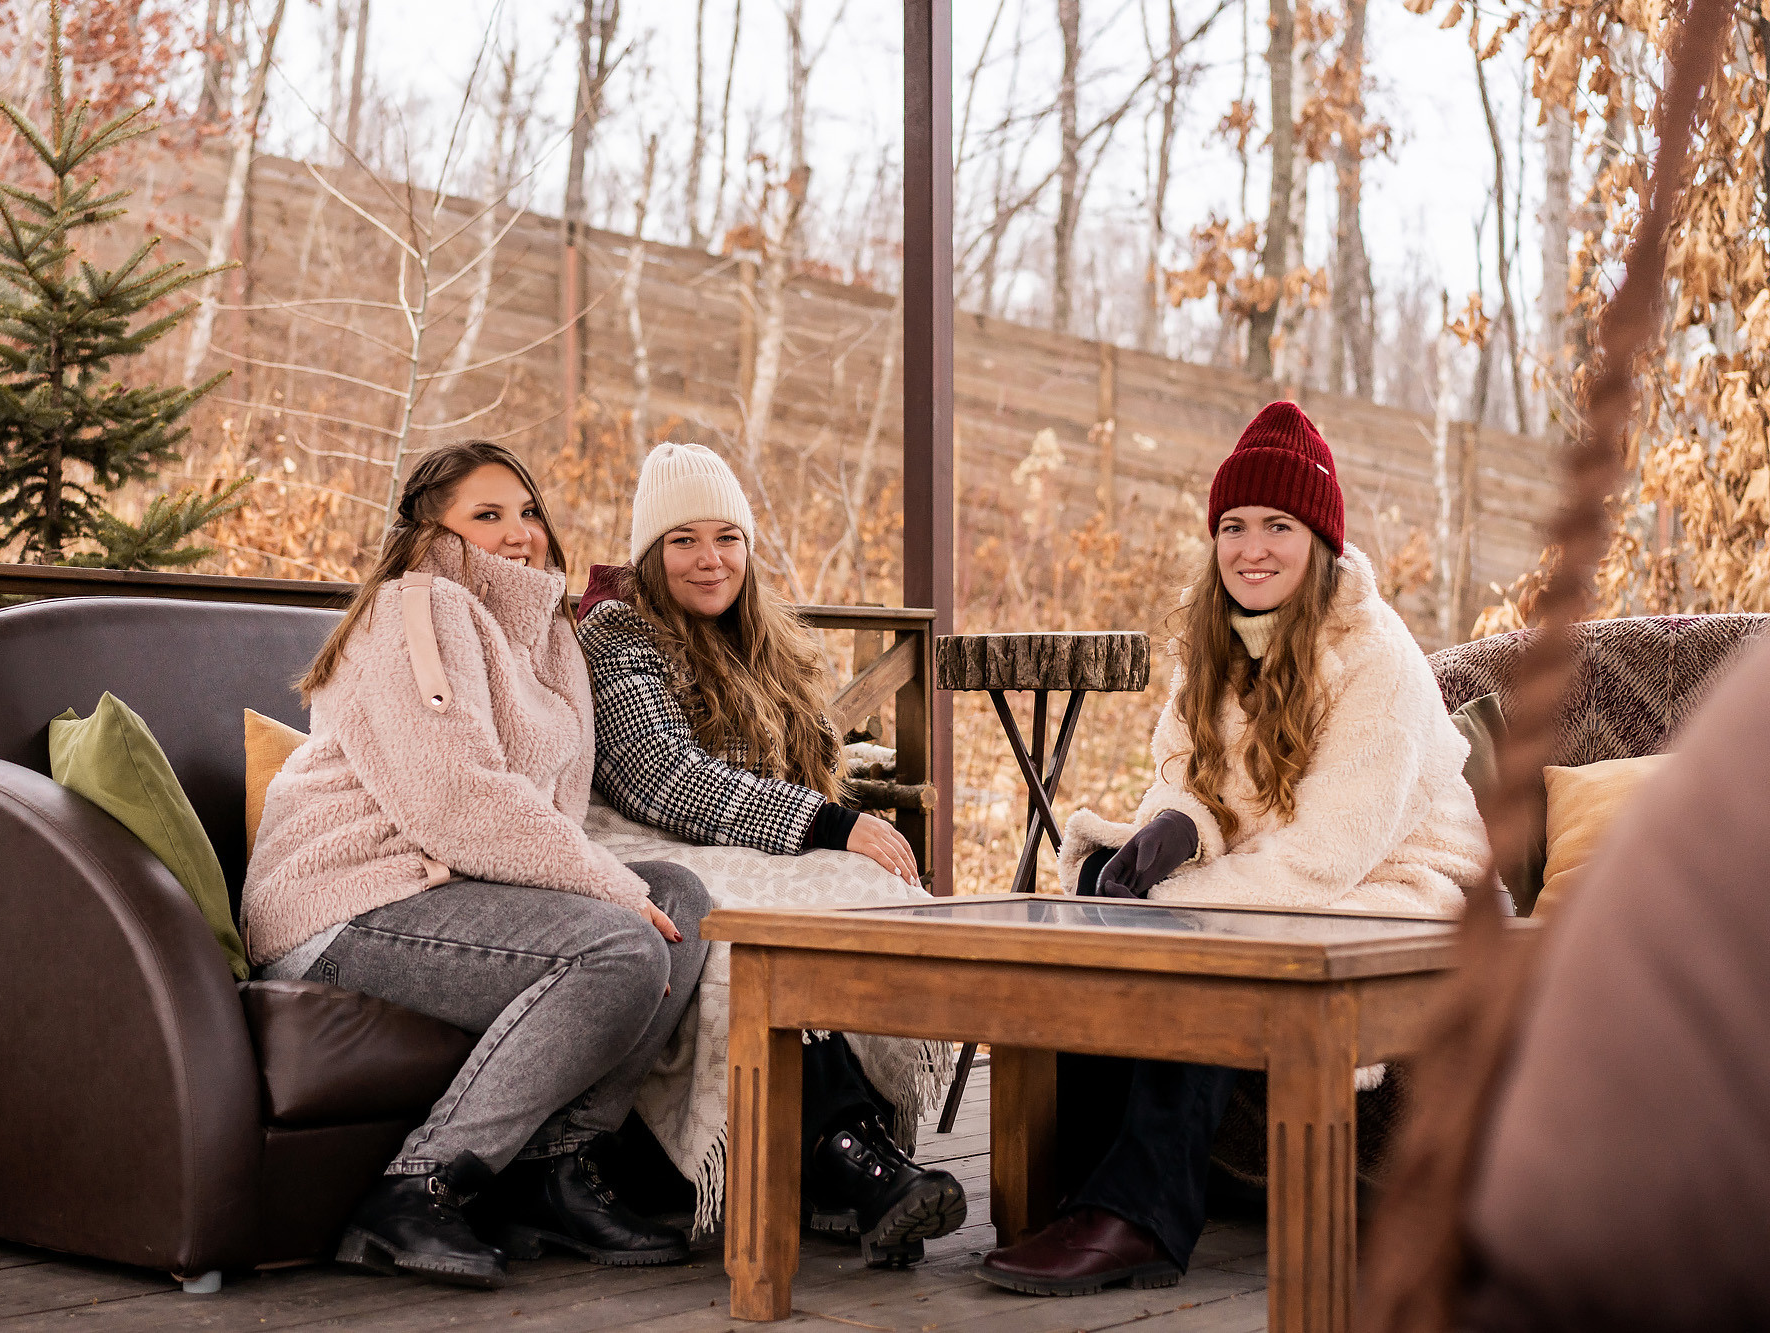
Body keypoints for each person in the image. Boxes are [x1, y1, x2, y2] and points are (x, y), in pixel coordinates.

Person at [977, 401, 1488, 1297]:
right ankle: (1074, 1190)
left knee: (1221, 938)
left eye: (1278, 525)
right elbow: (1186, 774)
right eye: (1234, 526)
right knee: (1100, 892)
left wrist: (1184, 900)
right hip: (1291, 873)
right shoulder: (1215, 639)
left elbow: (1327, 852)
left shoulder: (1380, 660)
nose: (1253, 548)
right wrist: (1175, 828)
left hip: (1405, 889)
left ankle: (1140, 1212)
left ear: (1320, 539)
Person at [241, 441, 712, 1291]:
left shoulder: (547, 638)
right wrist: (607, 888)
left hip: (447, 896)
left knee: (679, 898)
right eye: (486, 515)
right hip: (345, 905)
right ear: (432, 531)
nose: (519, 533)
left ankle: (554, 1171)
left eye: (528, 512)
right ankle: (414, 1190)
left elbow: (547, 807)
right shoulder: (414, 608)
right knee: (621, 942)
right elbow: (456, 800)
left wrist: (621, 884)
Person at [575, 441, 963, 1266]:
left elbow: (805, 767)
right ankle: (856, 1166)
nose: (710, 558)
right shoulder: (617, 631)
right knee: (747, 936)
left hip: (741, 840)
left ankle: (860, 1155)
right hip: (640, 845)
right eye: (683, 540)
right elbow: (660, 777)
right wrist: (827, 824)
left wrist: (840, 837)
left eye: (727, 537)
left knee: (866, 891)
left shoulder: (763, 639)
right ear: (649, 552)